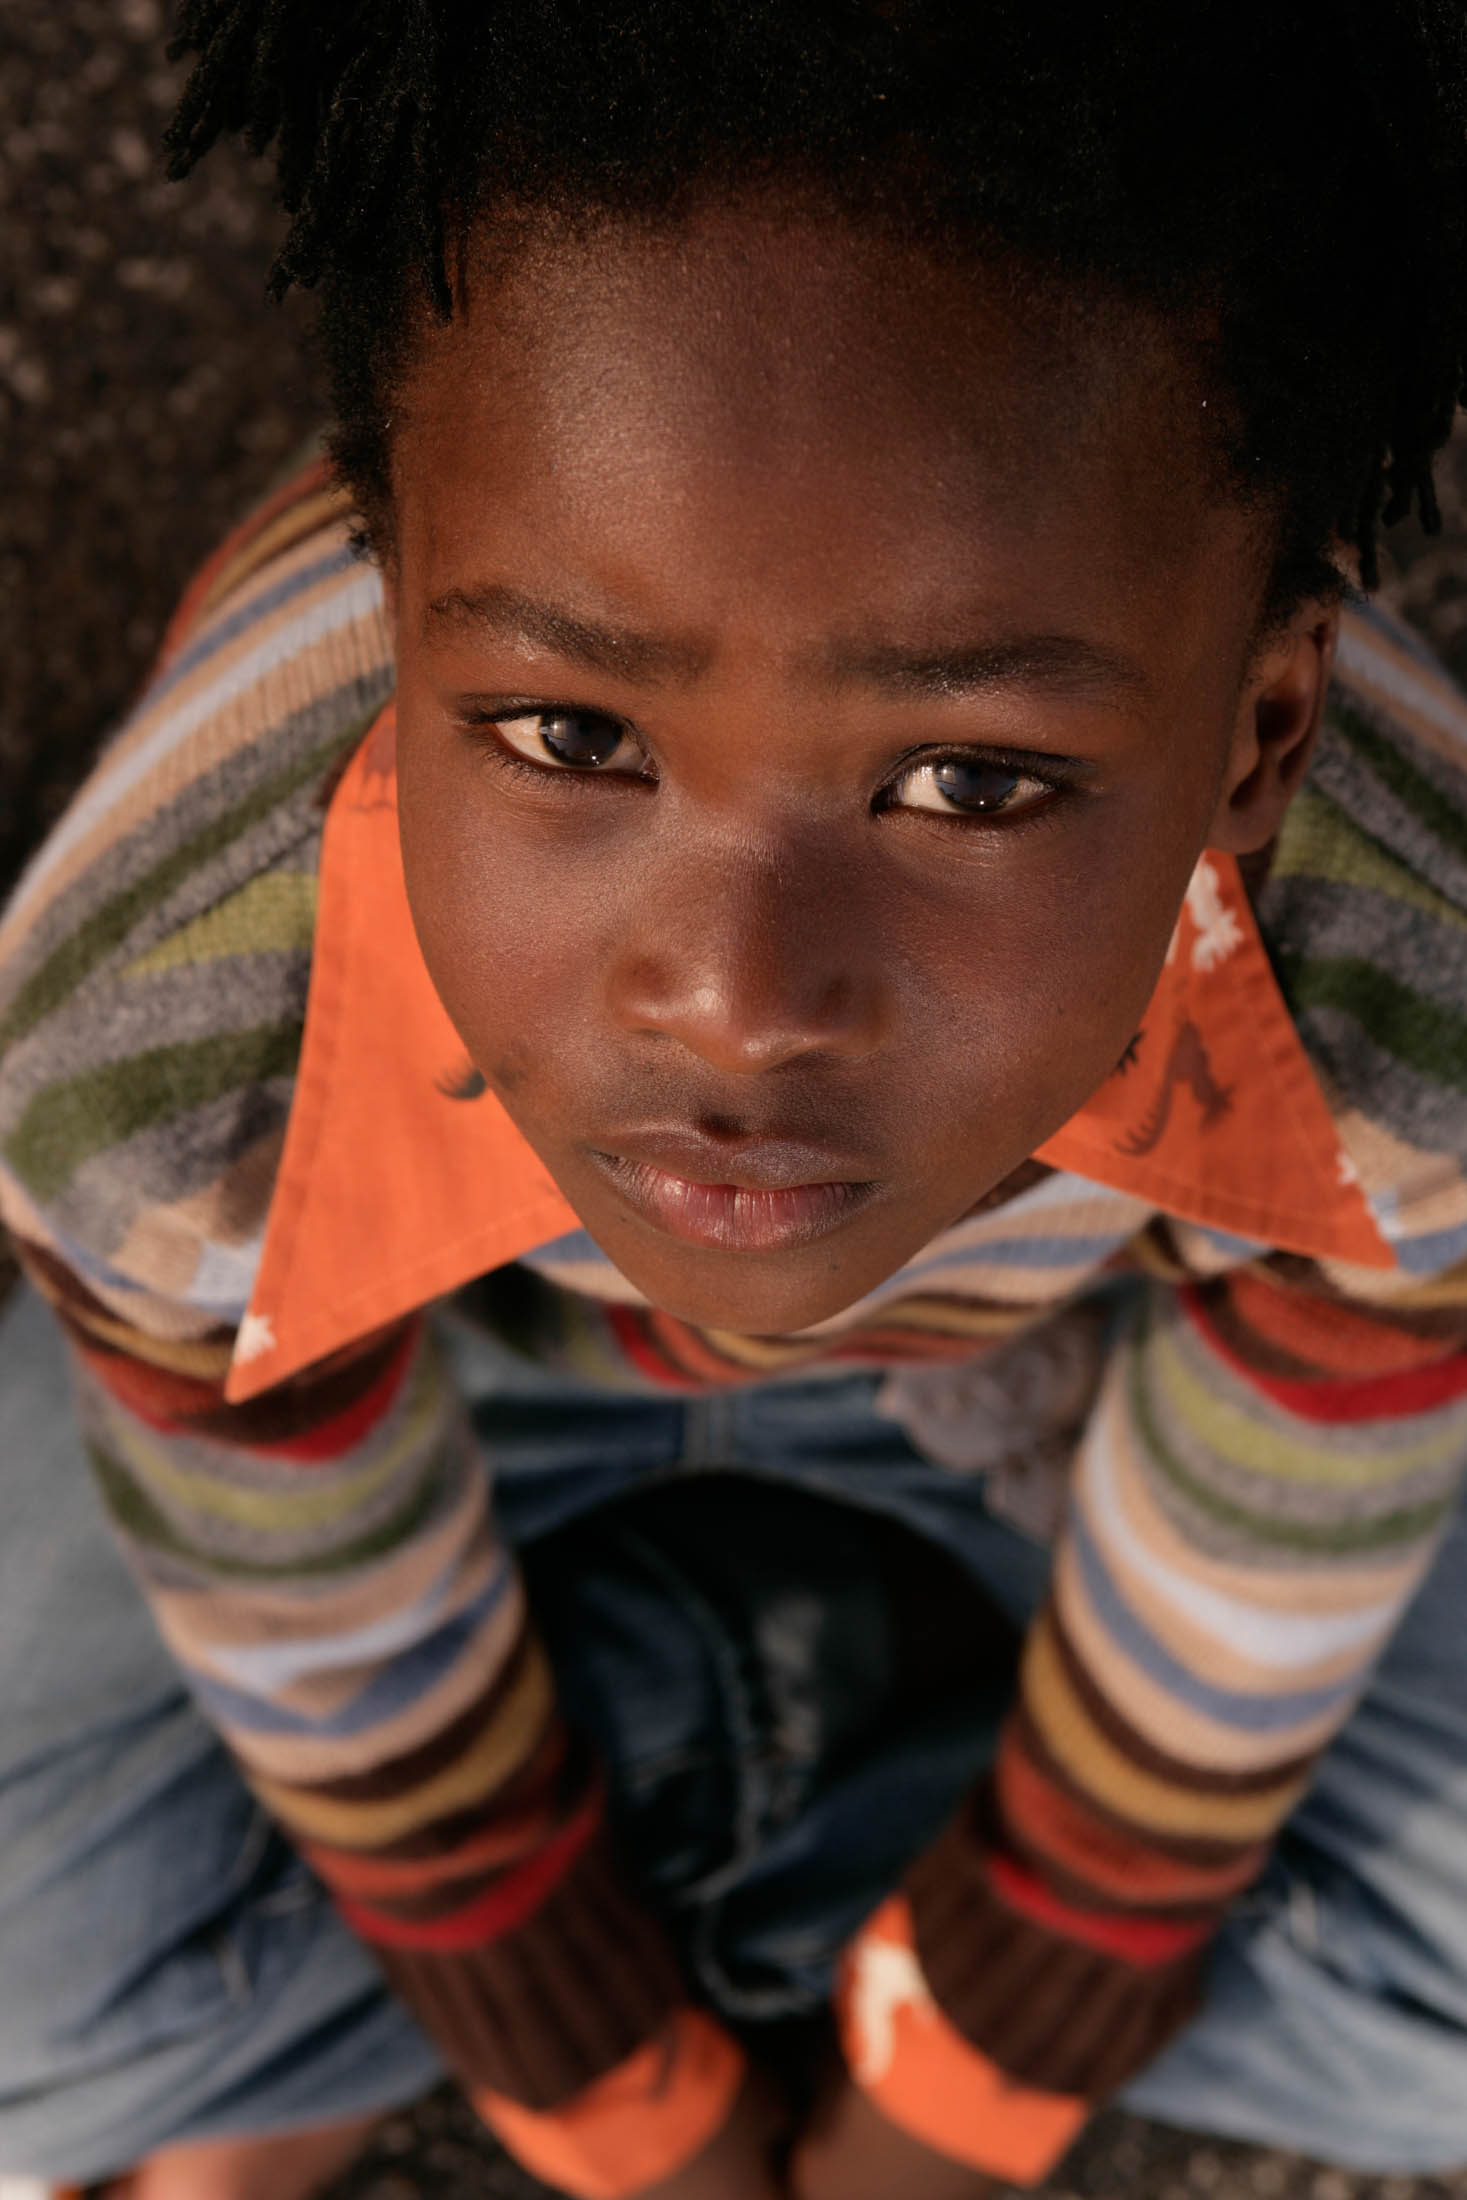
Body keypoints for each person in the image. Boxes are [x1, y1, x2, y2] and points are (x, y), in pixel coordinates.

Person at [5, 2, 1467, 2196]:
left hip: (1068, 1387)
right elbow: (274, 1526)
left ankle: (387, 1969)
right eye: (571, 738)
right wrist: (595, 2066)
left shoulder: (1412, 983)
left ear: (1256, 743)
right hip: (409, 1378)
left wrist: (975, 2066)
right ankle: (804, 1825)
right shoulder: (158, 1036)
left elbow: (1314, 1432)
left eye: (968, 780)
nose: (732, 1003)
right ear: (399, 612)